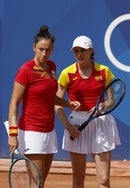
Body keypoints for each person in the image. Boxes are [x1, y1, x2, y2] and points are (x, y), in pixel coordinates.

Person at [7, 25, 80, 188]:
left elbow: (49, 98)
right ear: (34, 47)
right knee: (36, 184)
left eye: (48, 50)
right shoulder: (25, 71)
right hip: (32, 132)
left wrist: (68, 104)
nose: (44, 54)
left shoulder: (52, 67)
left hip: (49, 131)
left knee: (40, 183)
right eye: (40, 49)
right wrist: (13, 133)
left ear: (52, 50)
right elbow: (13, 104)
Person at [55, 35, 121, 188]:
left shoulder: (104, 71)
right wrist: (69, 127)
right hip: (76, 124)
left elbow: (111, 100)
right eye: (76, 51)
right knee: (78, 179)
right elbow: (57, 103)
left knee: (104, 179)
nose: (79, 54)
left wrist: (103, 106)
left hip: (101, 124)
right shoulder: (67, 73)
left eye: (83, 50)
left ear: (91, 50)